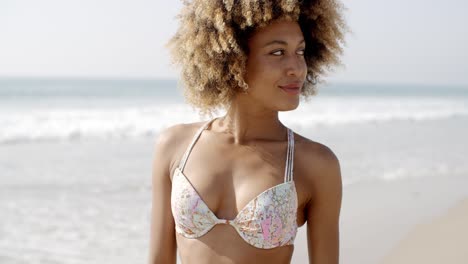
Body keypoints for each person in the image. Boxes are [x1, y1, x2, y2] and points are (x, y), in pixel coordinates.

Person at [149, 1, 347, 263]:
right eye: (277, 52)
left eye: (300, 51)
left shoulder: (314, 164)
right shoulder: (176, 146)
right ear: (233, 58)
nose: (296, 68)